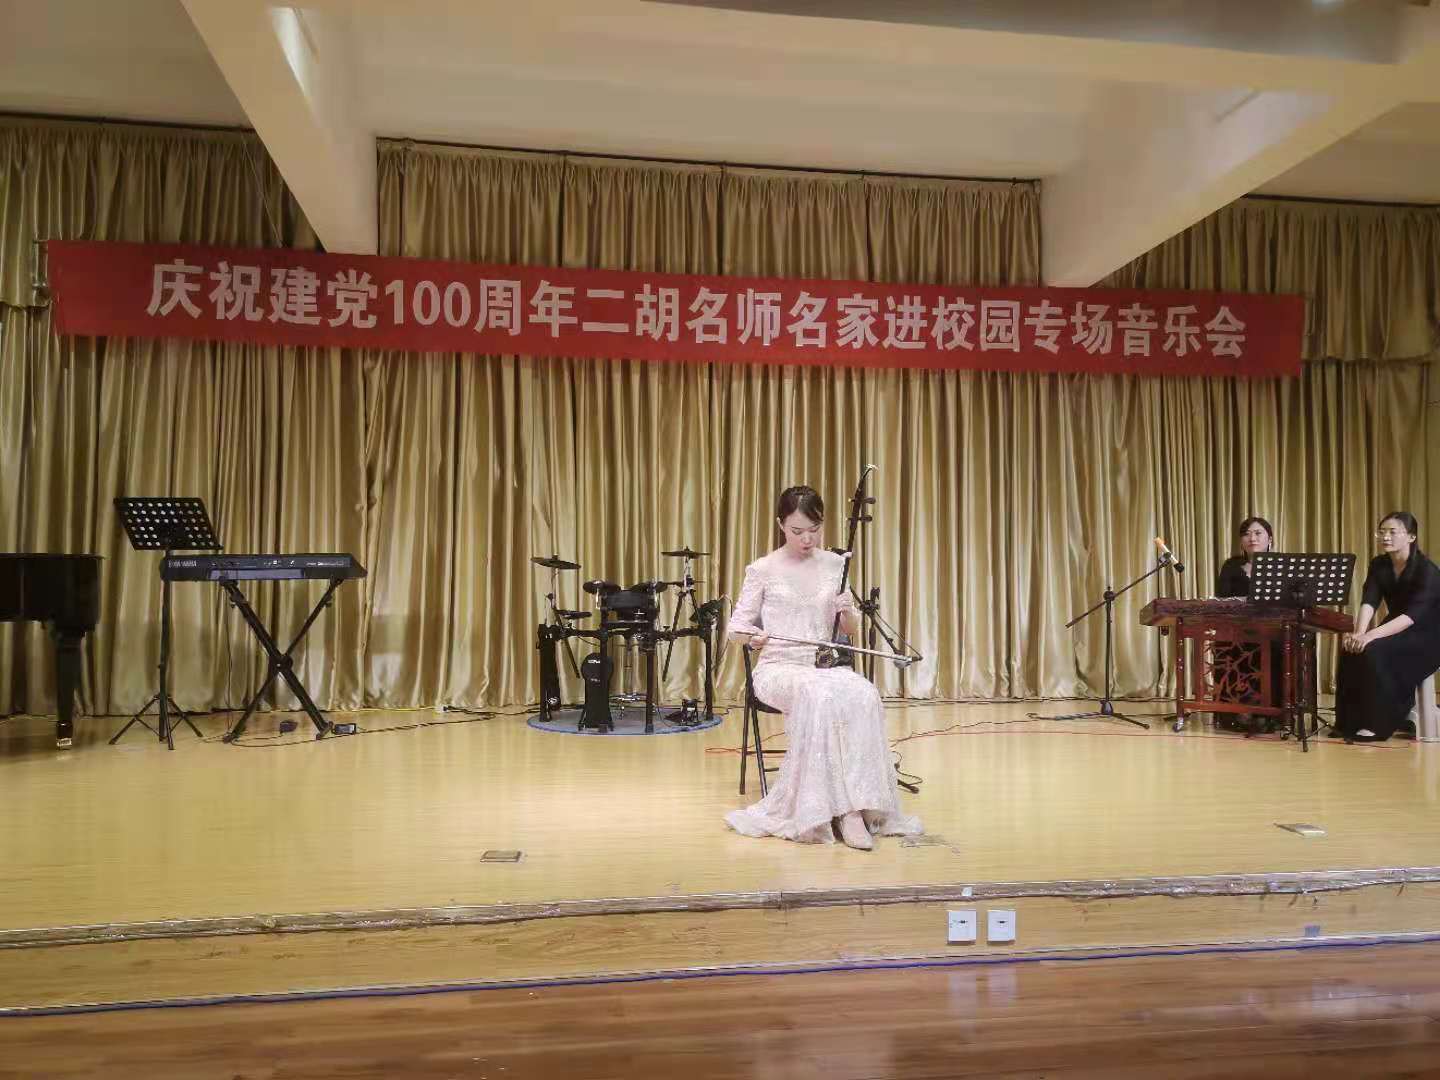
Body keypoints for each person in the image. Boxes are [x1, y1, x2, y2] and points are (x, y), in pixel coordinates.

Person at [725, 485, 921, 849]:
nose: (807, 539)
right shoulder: (762, 569)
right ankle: (845, 813)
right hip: (778, 668)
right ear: (780, 525)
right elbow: (735, 628)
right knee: (822, 696)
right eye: (797, 531)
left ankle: (864, 801)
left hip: (822, 666)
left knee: (864, 692)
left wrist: (847, 612)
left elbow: (850, 630)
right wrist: (753, 636)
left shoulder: (836, 564)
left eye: (814, 530)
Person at [1333, 512, 1440, 742]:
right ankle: (1346, 723)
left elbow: (1411, 617)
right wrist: (1359, 634)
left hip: (1428, 636)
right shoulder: (1379, 564)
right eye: (1382, 532)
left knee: (1373, 651)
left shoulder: (1427, 571)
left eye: (1392, 532)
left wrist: (1370, 636)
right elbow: (1370, 600)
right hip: (1394, 627)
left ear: (1411, 537)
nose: (1385, 537)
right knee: (1350, 649)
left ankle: (1376, 724)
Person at [1213, 517, 1282, 732]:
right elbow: (1221, 599)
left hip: (1273, 630)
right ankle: (1235, 711)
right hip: (1238, 629)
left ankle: (1270, 711)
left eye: (1258, 533)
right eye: (1246, 534)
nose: (1252, 538)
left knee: (1274, 647)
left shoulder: (1281, 565)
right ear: (1241, 541)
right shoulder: (1231, 566)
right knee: (1226, 644)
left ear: (1270, 538)